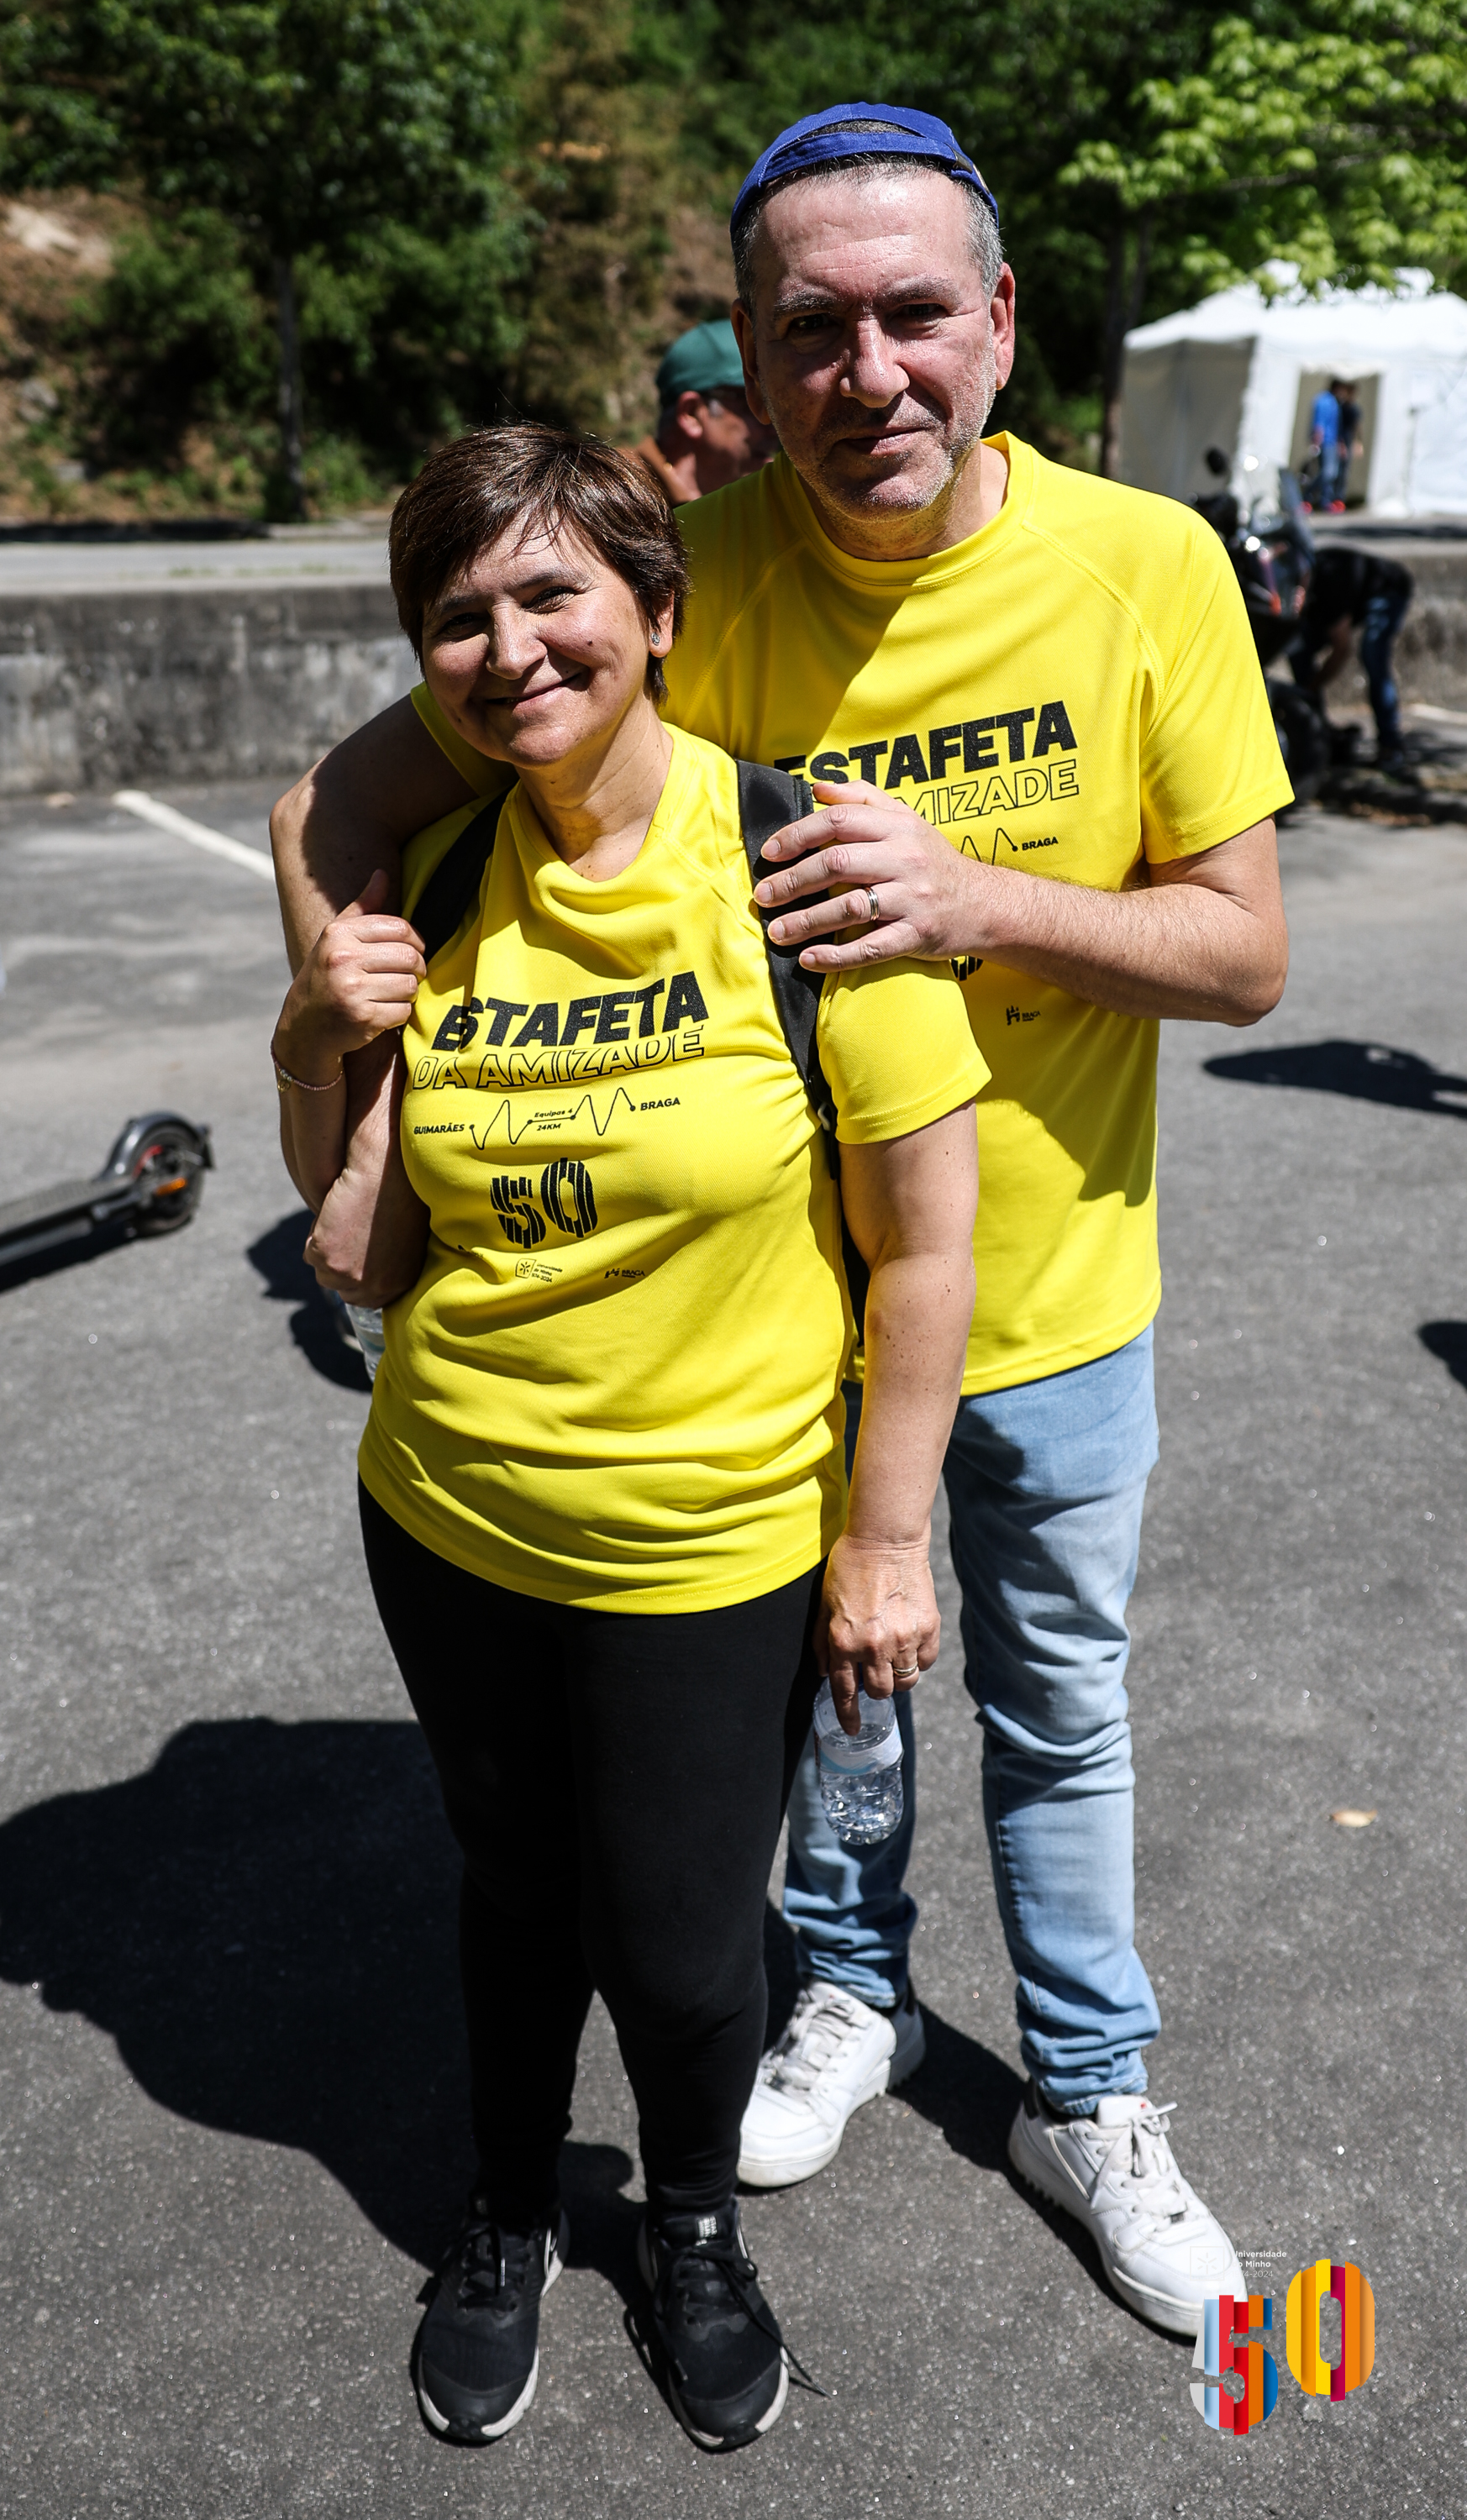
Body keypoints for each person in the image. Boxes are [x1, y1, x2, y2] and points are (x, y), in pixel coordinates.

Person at [269, 100, 1293, 2344]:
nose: (872, 372)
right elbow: (331, 801)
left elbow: (1243, 954)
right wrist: (349, 1104)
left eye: (918, 313)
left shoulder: (1144, 568)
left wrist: (978, 898)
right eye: (812, 326)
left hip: (1050, 1285)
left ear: (1000, 321)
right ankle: (851, 2003)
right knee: (837, 1712)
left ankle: (1096, 2097)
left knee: (1057, 1701)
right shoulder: (683, 573)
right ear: (746, 345)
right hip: (775, 1317)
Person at [270, 423, 985, 2451]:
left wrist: (883, 1535)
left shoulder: (804, 865)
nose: (508, 648)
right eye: (457, 618)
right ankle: (503, 2214)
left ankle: (686, 2228)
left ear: (658, 614)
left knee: (678, 1945)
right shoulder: (431, 881)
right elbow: (352, 1249)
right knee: (509, 1894)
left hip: (712, 1537)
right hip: (452, 1503)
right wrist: (309, 1037)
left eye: (551, 594)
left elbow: (926, 1249)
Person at [624, 319, 779, 504]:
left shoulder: (751, 508)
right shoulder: (614, 497)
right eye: (753, 404)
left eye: (777, 407)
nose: (774, 427)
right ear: (691, 414)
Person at [1290, 543, 1413, 772]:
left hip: (1389, 587)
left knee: (1373, 654)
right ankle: (1316, 733)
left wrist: (1313, 685)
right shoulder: (1304, 585)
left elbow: (1342, 649)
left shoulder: (1330, 582)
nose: (1295, 599)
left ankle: (1391, 744)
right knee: (1298, 649)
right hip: (1355, 594)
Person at [1306, 378, 1344, 513]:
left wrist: (1340, 443)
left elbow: (1336, 425)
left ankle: (1325, 501)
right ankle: (1307, 496)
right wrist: (1316, 442)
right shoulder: (1323, 400)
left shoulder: (1334, 402)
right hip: (1324, 442)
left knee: (1330, 473)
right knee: (1328, 472)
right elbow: (1319, 423)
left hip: (1332, 441)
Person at [1334, 383, 1364, 507]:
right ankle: (1332, 499)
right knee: (1335, 472)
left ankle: (1339, 500)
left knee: (1343, 472)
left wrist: (1358, 443)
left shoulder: (1354, 408)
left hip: (1347, 441)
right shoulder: (1339, 407)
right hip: (1338, 441)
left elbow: (1357, 427)